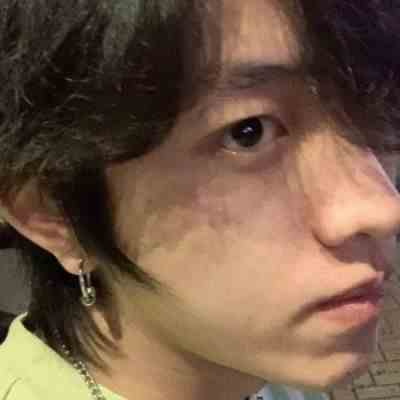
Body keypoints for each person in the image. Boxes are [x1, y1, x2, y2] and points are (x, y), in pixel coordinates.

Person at [0, 1, 399, 399]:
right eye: (248, 132)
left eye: (376, 106)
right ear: (53, 212)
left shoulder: (260, 365)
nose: (384, 209)